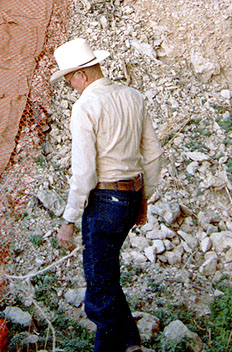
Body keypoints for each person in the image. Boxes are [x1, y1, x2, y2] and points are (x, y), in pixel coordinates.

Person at [51, 38, 163, 352]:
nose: (71, 85)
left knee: (99, 290)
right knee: (106, 276)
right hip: (131, 196)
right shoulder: (133, 96)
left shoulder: (86, 105)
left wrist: (69, 219)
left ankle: (119, 346)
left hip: (104, 202)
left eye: (70, 78)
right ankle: (130, 343)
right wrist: (144, 199)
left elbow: (84, 172)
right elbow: (153, 155)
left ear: (82, 75)